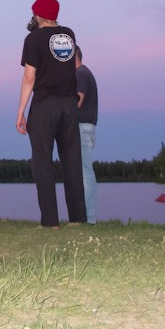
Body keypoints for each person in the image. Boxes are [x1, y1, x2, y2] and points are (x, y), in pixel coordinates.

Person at [16, 0, 86, 227]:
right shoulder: (69, 34)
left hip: (45, 104)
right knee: (72, 161)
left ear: (38, 14)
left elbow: (29, 78)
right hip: (68, 105)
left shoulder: (33, 39)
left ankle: (50, 221)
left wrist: (20, 111)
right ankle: (77, 219)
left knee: (43, 162)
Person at [75, 46, 98, 225]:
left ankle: (88, 219)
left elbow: (77, 100)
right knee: (84, 172)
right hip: (86, 129)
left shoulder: (80, 74)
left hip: (82, 129)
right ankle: (85, 217)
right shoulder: (85, 73)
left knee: (85, 173)